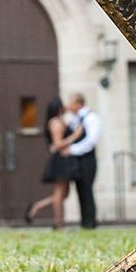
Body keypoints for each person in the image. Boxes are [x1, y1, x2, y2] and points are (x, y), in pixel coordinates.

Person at [25, 97, 83, 229]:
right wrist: (75, 136)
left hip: (64, 159)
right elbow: (57, 144)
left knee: (64, 193)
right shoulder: (55, 122)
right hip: (60, 160)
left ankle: (36, 207)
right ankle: (58, 223)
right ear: (58, 108)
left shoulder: (60, 120)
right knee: (59, 193)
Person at [52, 92, 101, 229]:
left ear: (79, 104)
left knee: (87, 189)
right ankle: (84, 222)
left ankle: (90, 222)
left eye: (71, 103)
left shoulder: (91, 117)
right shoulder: (76, 119)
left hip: (87, 160)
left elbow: (91, 140)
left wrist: (72, 150)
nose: (69, 106)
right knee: (80, 190)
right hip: (77, 161)